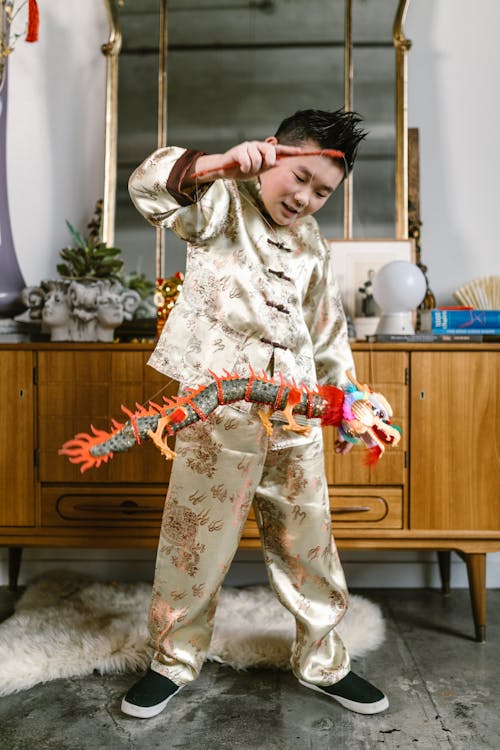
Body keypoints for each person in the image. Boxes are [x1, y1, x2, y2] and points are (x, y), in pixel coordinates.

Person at [122, 108, 389, 718]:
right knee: (195, 542)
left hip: (295, 412)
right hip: (217, 409)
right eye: (299, 179)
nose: (305, 198)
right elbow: (147, 185)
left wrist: (349, 403)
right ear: (271, 153)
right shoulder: (219, 203)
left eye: (322, 192)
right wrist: (219, 162)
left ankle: (324, 660)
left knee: (310, 542)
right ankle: (172, 660)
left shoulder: (314, 247)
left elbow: (326, 333)